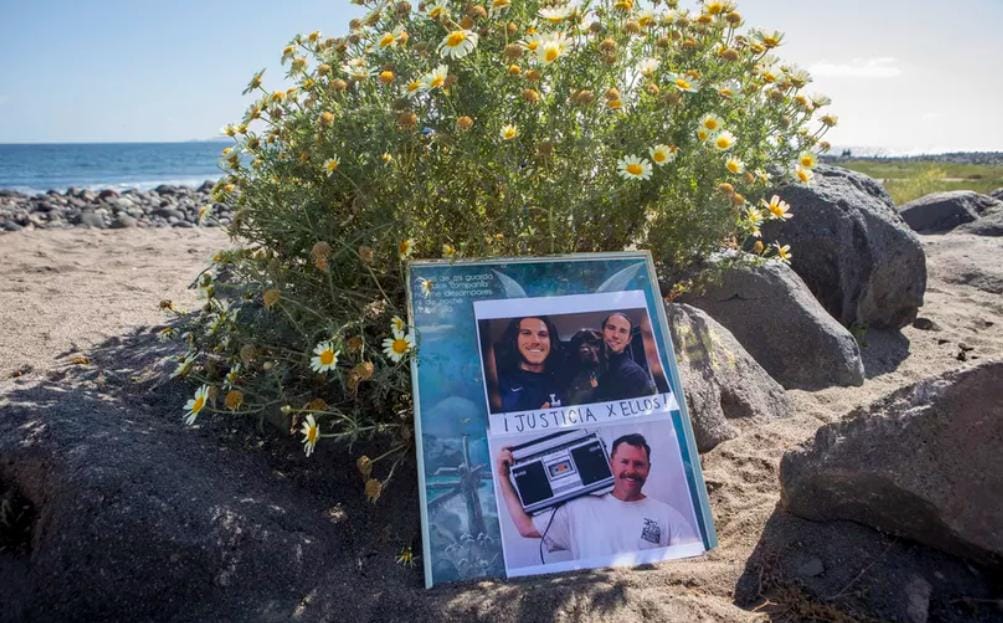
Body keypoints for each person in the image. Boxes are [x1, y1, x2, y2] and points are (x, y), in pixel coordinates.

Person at [496, 433, 699, 561]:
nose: (631, 470)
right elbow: (526, 527)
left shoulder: (668, 516)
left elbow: (690, 565)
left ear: (648, 469)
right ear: (611, 462)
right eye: (624, 462)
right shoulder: (578, 508)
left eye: (639, 464)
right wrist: (504, 477)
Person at [495, 316, 564, 412]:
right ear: (514, 340)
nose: (536, 341)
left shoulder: (563, 382)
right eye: (526, 333)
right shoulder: (499, 383)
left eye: (542, 334)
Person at [592, 312, 657, 403]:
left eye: (622, 331)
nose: (615, 335)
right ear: (602, 333)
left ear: (629, 340)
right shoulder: (596, 367)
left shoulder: (634, 374)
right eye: (611, 328)